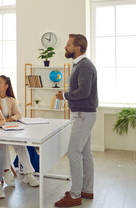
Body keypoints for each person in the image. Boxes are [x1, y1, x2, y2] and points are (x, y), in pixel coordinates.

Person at [54, 34, 98, 207]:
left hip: (82, 114)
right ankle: (86, 189)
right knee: (85, 153)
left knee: (73, 152)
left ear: (77, 48)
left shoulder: (84, 66)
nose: (65, 47)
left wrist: (64, 95)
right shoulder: (80, 65)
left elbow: (84, 92)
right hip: (84, 114)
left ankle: (75, 195)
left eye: (68, 44)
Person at [0, 75, 39, 187]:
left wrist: (6, 120)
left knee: (21, 145)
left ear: (6, 86)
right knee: (2, 144)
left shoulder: (11, 100)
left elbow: (19, 115)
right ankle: (6, 171)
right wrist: (1, 122)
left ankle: (29, 174)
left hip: (9, 128)